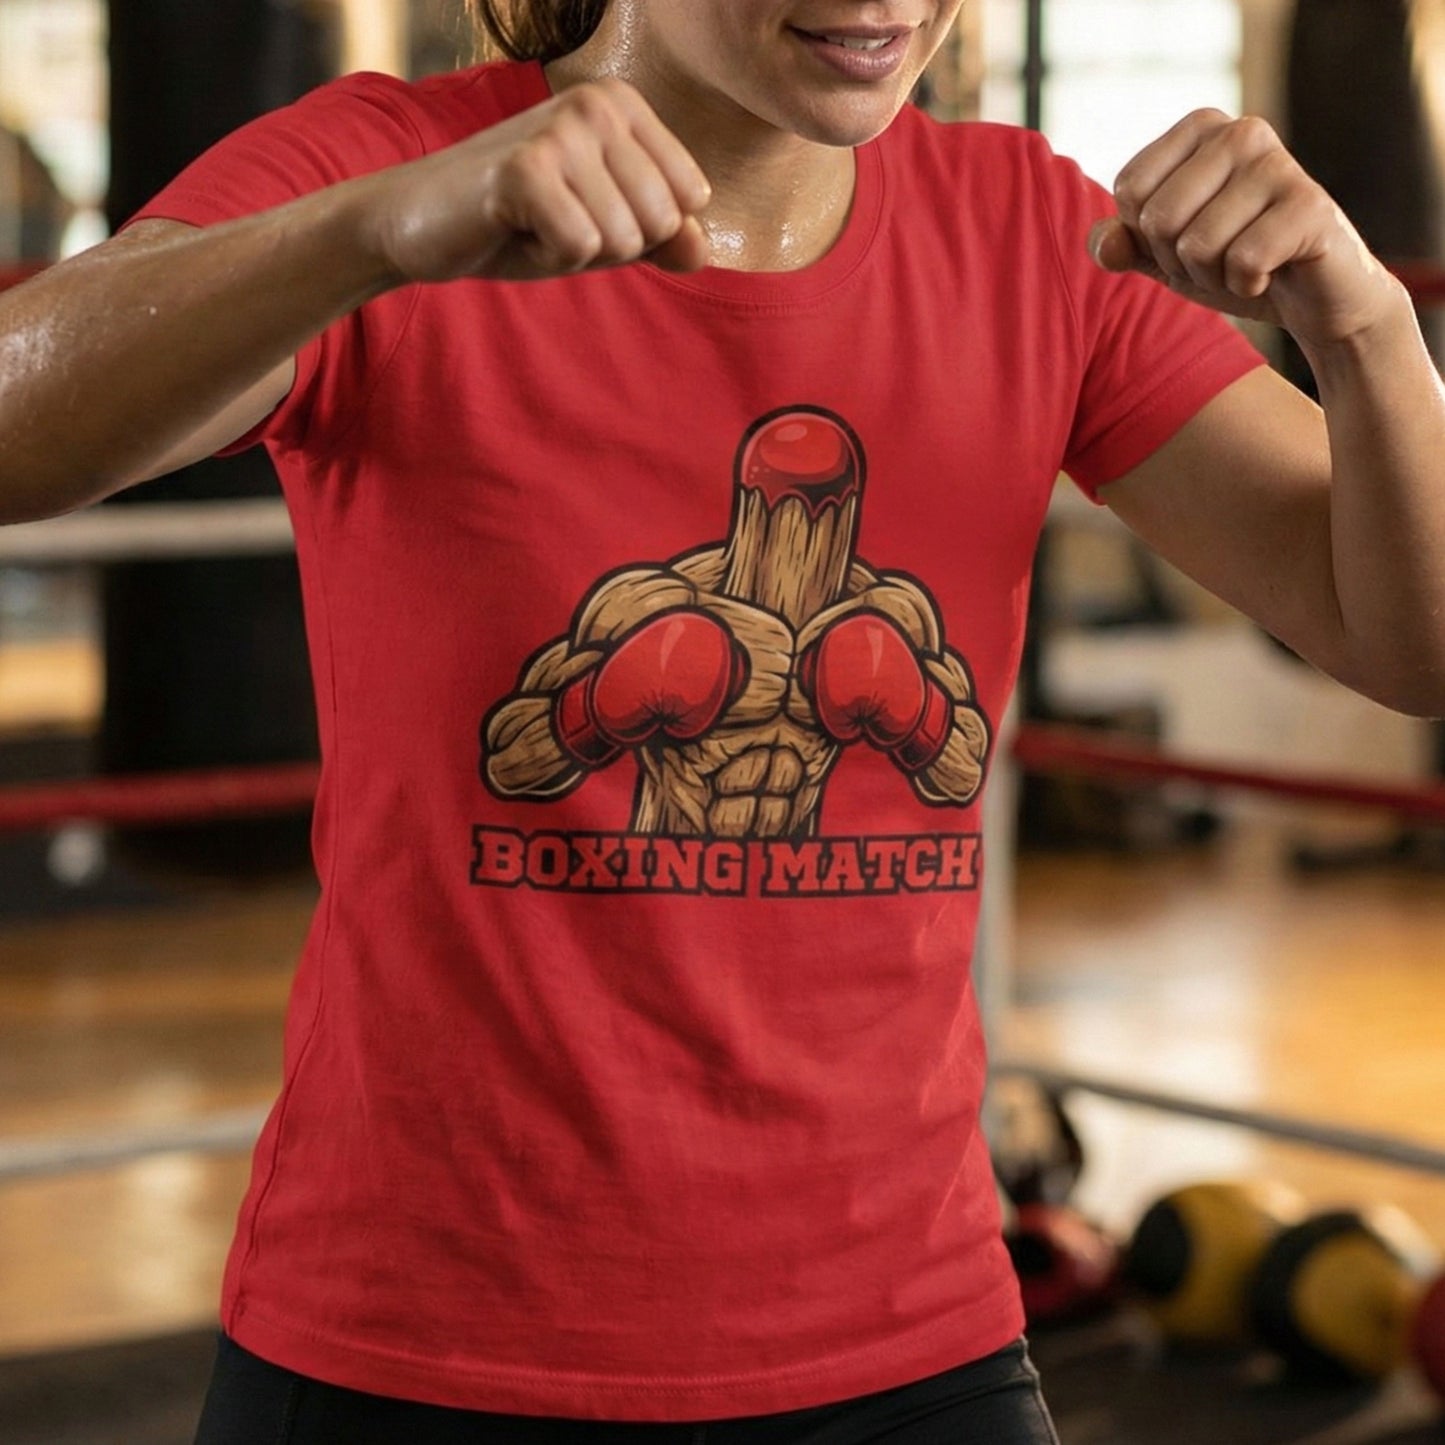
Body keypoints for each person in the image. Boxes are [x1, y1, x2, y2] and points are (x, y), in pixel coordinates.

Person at [3, 1, 1444, 1440]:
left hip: (909, 1338)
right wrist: (367, 238)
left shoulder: (1034, 242)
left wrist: (1362, 322)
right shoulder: (394, 171)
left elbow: (1408, 641)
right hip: (421, 1343)